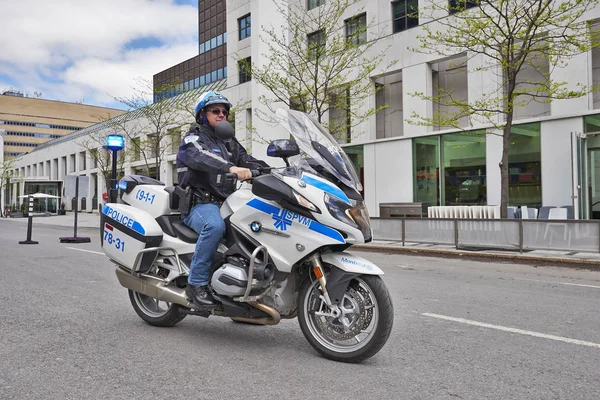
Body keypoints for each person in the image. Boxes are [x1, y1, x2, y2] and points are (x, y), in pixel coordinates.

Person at [176, 91, 268, 309]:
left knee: (258, 226)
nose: (221, 115)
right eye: (215, 111)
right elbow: (201, 156)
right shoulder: (193, 139)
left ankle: (244, 288)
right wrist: (231, 168)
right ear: (202, 115)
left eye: (224, 112)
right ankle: (196, 284)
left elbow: (248, 160)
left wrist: (271, 171)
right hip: (199, 204)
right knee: (214, 226)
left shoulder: (229, 143)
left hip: (226, 203)